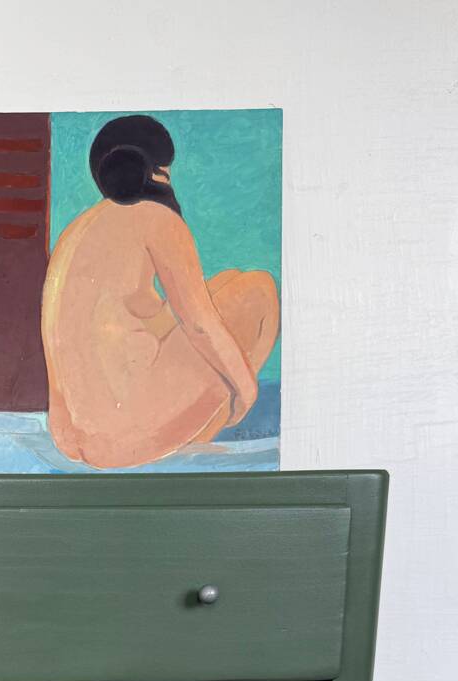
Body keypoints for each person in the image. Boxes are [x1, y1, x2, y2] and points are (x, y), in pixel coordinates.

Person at [41, 115, 279, 469]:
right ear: (154, 172)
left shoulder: (78, 228)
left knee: (227, 281)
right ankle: (197, 435)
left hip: (70, 435)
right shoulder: (158, 217)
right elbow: (199, 324)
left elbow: (132, 317)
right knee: (258, 289)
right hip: (124, 434)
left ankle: (181, 431)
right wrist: (246, 388)